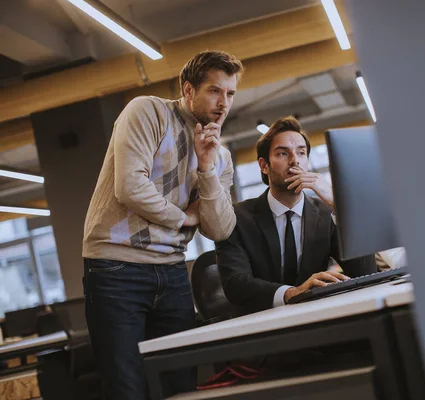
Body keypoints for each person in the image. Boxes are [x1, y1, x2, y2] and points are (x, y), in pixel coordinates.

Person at [82, 50, 244, 399]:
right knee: (128, 388)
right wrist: (183, 217)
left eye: (230, 93)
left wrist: (206, 169)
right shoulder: (148, 111)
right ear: (188, 90)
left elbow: (219, 229)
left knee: (180, 386)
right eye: (215, 91)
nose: (223, 103)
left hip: (171, 272)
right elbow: (130, 187)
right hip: (115, 268)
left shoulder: (222, 156)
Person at [216, 116, 377, 314]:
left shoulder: (327, 214)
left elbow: (365, 272)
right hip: (261, 322)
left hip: (318, 316)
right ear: (264, 165)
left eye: (301, 152)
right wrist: (291, 293)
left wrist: (339, 205)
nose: (295, 161)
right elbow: (235, 285)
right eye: (283, 153)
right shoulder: (236, 217)